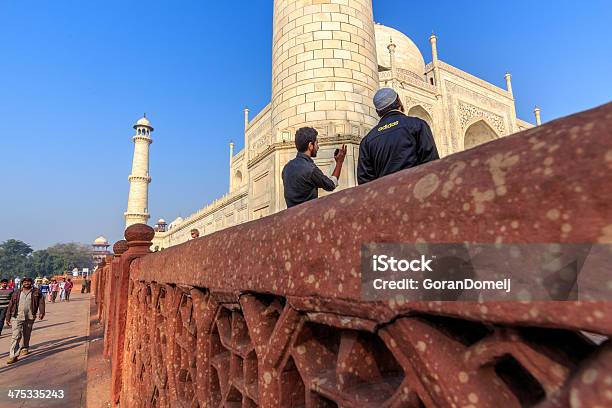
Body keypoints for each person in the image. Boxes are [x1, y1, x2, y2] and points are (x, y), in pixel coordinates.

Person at [357, 88, 439, 185]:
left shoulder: (367, 140)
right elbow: (432, 165)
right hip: (415, 192)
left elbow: (365, 183)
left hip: (386, 197)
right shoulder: (417, 125)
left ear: (378, 112)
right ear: (399, 101)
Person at [282, 127, 347, 208]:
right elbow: (331, 184)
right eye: (316, 143)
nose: (318, 147)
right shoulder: (310, 169)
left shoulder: (286, 168)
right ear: (310, 145)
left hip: (292, 217)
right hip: (307, 217)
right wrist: (339, 162)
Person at [5, 277, 45, 364]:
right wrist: (8, 317)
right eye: (25, 282)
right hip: (17, 317)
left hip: (30, 316)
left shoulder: (36, 292)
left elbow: (41, 302)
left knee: (27, 333)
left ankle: (25, 347)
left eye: (28, 282)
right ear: (22, 283)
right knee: (16, 335)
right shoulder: (16, 292)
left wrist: (42, 312)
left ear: (31, 283)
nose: (27, 283)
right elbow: (11, 304)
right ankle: (13, 355)